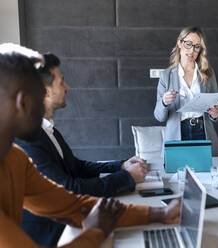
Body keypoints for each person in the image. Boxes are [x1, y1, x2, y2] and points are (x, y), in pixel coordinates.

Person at [0, 43, 180, 247]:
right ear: (24, 103)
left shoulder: (15, 158)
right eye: (38, 93)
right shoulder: (24, 150)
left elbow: (73, 205)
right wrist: (96, 231)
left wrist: (161, 213)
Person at [154, 26, 218, 155]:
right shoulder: (166, 76)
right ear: (180, 43)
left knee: (206, 173)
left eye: (196, 46)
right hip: (177, 133)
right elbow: (159, 116)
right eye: (188, 44)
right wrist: (164, 102)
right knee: (178, 173)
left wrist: (216, 113)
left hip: (203, 131)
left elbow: (215, 109)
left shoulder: (208, 74)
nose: (192, 50)